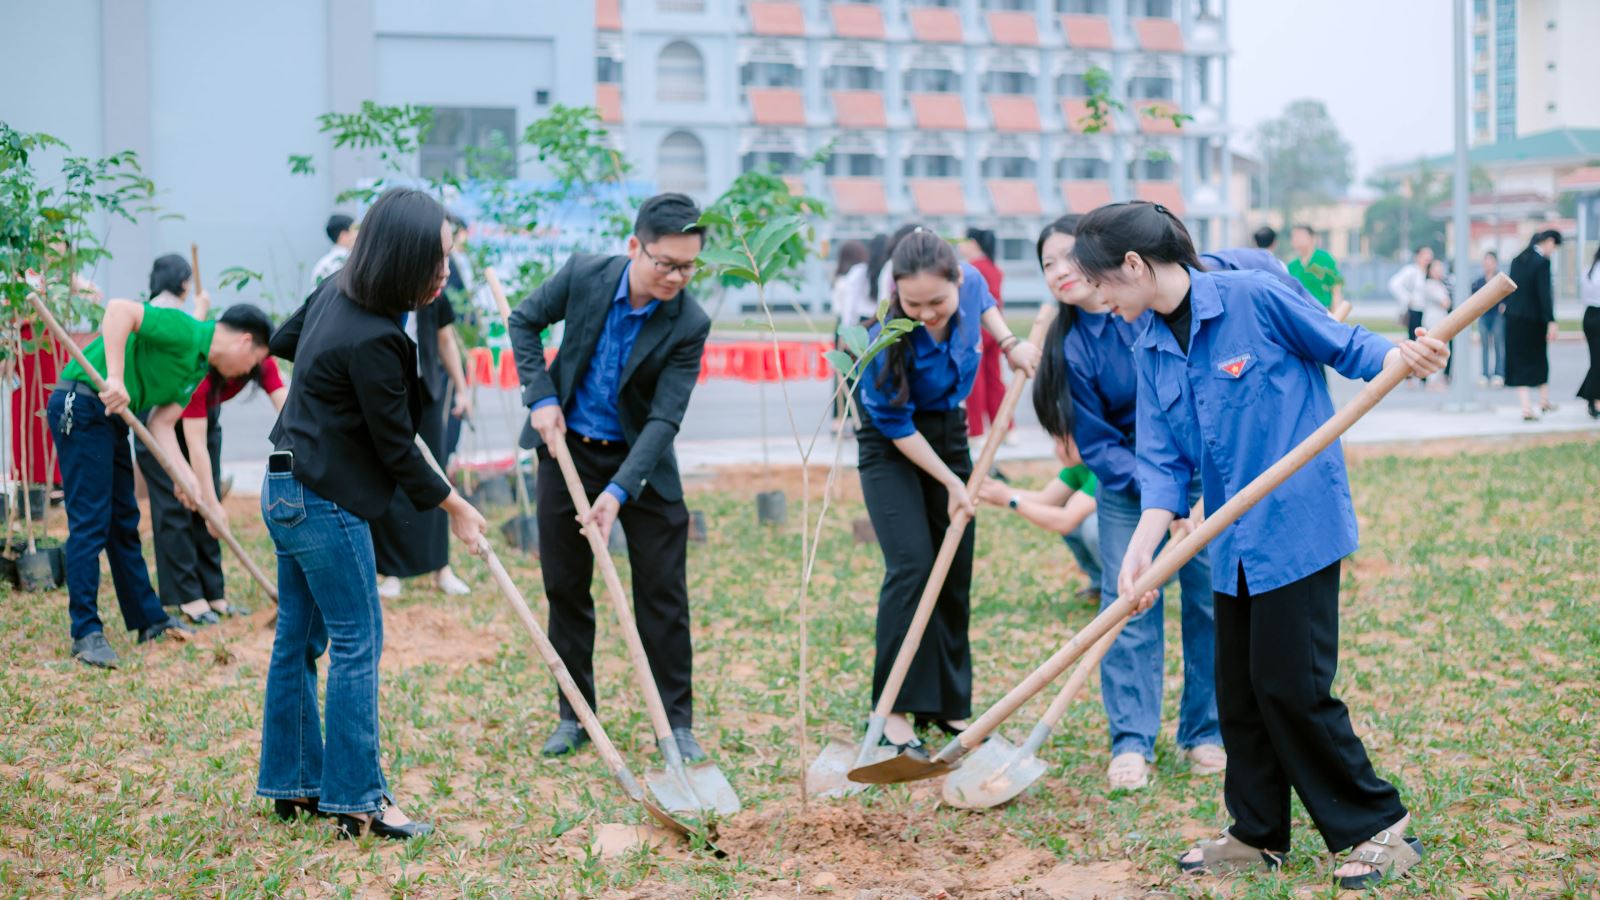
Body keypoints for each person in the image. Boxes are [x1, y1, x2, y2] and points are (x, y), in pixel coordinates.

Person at [1072, 201, 1448, 890]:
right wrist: (1141, 551)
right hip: (1230, 540)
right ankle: (1256, 832)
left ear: (1134, 265)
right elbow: (1161, 466)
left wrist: (1407, 356)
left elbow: (1348, 345)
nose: (1096, 298)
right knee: (1240, 691)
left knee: (1291, 686)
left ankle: (1378, 826)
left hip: (1297, 527)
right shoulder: (1148, 343)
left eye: (1100, 282)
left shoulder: (1252, 297)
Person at [258, 187, 487, 840]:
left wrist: (331, 397)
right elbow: (397, 449)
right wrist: (456, 506)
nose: (445, 274)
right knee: (358, 642)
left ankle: (294, 784)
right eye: (436, 261)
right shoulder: (379, 337)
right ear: (401, 258)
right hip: (323, 500)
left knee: (298, 640)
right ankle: (359, 800)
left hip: (283, 485)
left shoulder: (336, 291)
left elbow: (284, 340)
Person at [508, 193, 714, 760]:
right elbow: (523, 320)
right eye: (665, 263)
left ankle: (676, 725)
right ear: (634, 247)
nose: (676, 277)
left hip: (641, 466)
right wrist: (540, 397)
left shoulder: (689, 321)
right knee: (565, 587)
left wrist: (619, 491)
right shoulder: (584, 275)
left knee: (663, 594)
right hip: (567, 450)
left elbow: (665, 417)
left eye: (688, 267)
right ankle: (575, 717)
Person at [1036, 214, 1222, 789]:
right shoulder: (1071, 347)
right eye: (1047, 264)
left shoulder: (1156, 308)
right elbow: (1096, 445)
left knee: (1210, 603)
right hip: (1128, 488)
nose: (1061, 271)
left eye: (1069, 257)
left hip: (1200, 474)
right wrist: (1159, 496)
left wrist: (1185, 491)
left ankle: (1206, 731)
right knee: (1129, 604)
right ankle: (1132, 740)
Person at [856, 227, 1040, 748]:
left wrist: (1011, 344)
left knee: (954, 567)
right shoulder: (882, 339)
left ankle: (949, 706)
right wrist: (953, 483)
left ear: (957, 280)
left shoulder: (972, 280)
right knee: (913, 566)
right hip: (893, 446)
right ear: (895, 290)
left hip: (947, 430)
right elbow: (895, 427)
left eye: (937, 301)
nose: (926, 314)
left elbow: (987, 309)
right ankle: (891, 708)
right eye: (912, 303)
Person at [46, 295, 273, 669]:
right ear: (244, 341)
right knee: (91, 522)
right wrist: (115, 377)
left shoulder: (196, 368)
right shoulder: (185, 330)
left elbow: (161, 425)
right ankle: (85, 632)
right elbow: (120, 310)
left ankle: (148, 619)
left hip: (112, 418)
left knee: (124, 522)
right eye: (253, 362)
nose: (246, 372)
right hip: (83, 403)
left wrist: (191, 485)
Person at [135, 312, 287, 626]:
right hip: (166, 421)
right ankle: (188, 597)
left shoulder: (258, 358)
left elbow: (285, 404)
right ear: (242, 342)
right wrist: (208, 501)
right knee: (178, 505)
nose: (255, 366)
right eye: (254, 359)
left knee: (210, 498)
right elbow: (195, 444)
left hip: (205, 421)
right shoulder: (200, 370)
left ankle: (214, 594)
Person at [371, 234, 473, 601]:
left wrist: (461, 388)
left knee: (434, 472)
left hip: (425, 389)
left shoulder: (433, 289)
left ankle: (440, 566)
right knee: (388, 475)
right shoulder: (378, 288)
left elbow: (446, 340)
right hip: (385, 388)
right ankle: (390, 571)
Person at [978, 431, 1101, 605]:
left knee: (1090, 526)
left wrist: (1010, 499)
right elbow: (1045, 499)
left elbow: (1066, 520)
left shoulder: (1100, 468)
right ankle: (1100, 584)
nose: (1056, 450)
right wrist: (1000, 492)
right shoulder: (1078, 466)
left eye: (1060, 442)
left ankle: (1115, 587)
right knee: (1072, 519)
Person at [1504, 230, 1562, 420]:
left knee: (1519, 361)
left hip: (1514, 317)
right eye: (1554, 246)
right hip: (1534, 319)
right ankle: (1543, 401)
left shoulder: (1517, 259)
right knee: (1539, 358)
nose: (1553, 251)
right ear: (1549, 241)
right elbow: (1544, 294)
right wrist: (1551, 320)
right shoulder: (1542, 262)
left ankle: (1526, 407)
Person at [959, 228, 1008, 441]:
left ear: (973, 243)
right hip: (996, 328)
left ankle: (976, 430)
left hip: (977, 328)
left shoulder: (970, 269)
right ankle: (1006, 428)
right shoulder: (994, 267)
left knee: (975, 380)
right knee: (995, 378)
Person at [830, 240, 873, 424]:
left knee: (844, 374)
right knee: (852, 374)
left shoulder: (841, 278)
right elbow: (849, 308)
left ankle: (841, 417)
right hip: (852, 326)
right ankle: (850, 417)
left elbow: (839, 308)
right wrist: (848, 331)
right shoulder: (859, 275)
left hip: (844, 325)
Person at [1388, 246, 1434, 361]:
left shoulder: (1431, 272)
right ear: (1417, 256)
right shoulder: (1411, 271)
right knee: (1414, 341)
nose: (1428, 258)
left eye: (1430, 255)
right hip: (1415, 310)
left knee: (1426, 342)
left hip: (1430, 312)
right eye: (1425, 254)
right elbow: (1394, 283)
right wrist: (1407, 298)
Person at [1286, 225, 1343, 312]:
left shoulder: (1325, 259)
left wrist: (1336, 312)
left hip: (1322, 312)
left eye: (1299, 236)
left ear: (1312, 238)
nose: (1295, 240)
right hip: (1300, 313)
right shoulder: (1292, 266)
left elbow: (1336, 287)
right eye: (1293, 237)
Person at [1471, 251, 1506, 386]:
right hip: (1484, 316)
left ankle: (1499, 374)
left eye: (1490, 262)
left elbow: (1509, 296)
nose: (1487, 265)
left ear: (1495, 263)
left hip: (1497, 315)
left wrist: (1504, 306)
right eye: (1485, 262)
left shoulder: (1501, 280)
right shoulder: (1479, 282)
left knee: (1498, 344)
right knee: (1485, 345)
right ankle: (1485, 374)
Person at [146, 253, 211, 319]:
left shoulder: (155, 304)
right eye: (190, 280)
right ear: (184, 283)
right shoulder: (168, 305)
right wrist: (201, 308)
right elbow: (186, 326)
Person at [1420, 259, 1453, 389]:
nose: (1439, 271)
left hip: (1441, 321)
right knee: (1434, 351)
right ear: (1430, 271)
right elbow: (1446, 302)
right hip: (1433, 322)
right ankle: (1432, 381)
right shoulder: (1430, 285)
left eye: (1441, 269)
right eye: (1436, 269)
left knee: (1441, 350)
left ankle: (1437, 379)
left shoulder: (1440, 284)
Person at [1577, 245, 1600, 419]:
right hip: (1597, 315)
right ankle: (1594, 399)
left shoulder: (1589, 269)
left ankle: (1591, 397)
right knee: (1598, 362)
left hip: (1589, 315)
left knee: (1596, 360)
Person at [310, 213, 356, 289]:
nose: (358, 234)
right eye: (355, 230)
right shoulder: (350, 261)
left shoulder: (321, 264)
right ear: (343, 235)